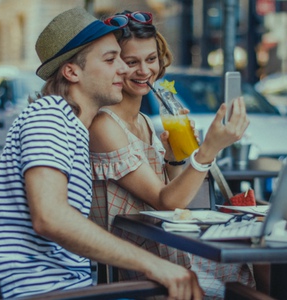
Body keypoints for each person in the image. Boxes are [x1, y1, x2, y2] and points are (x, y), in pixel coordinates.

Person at [0, 7, 203, 299]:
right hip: (45, 292)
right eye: (112, 60)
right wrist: (154, 265)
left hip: (66, 287)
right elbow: (50, 217)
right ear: (72, 71)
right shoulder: (48, 118)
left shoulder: (70, 125)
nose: (125, 70)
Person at [88, 10, 254, 298]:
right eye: (132, 62)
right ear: (114, 64)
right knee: (248, 283)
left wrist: (176, 154)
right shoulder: (105, 125)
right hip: (140, 271)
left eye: (151, 59)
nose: (144, 71)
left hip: (169, 251)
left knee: (259, 265)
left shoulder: (143, 122)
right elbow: (168, 202)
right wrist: (208, 149)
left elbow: (173, 198)